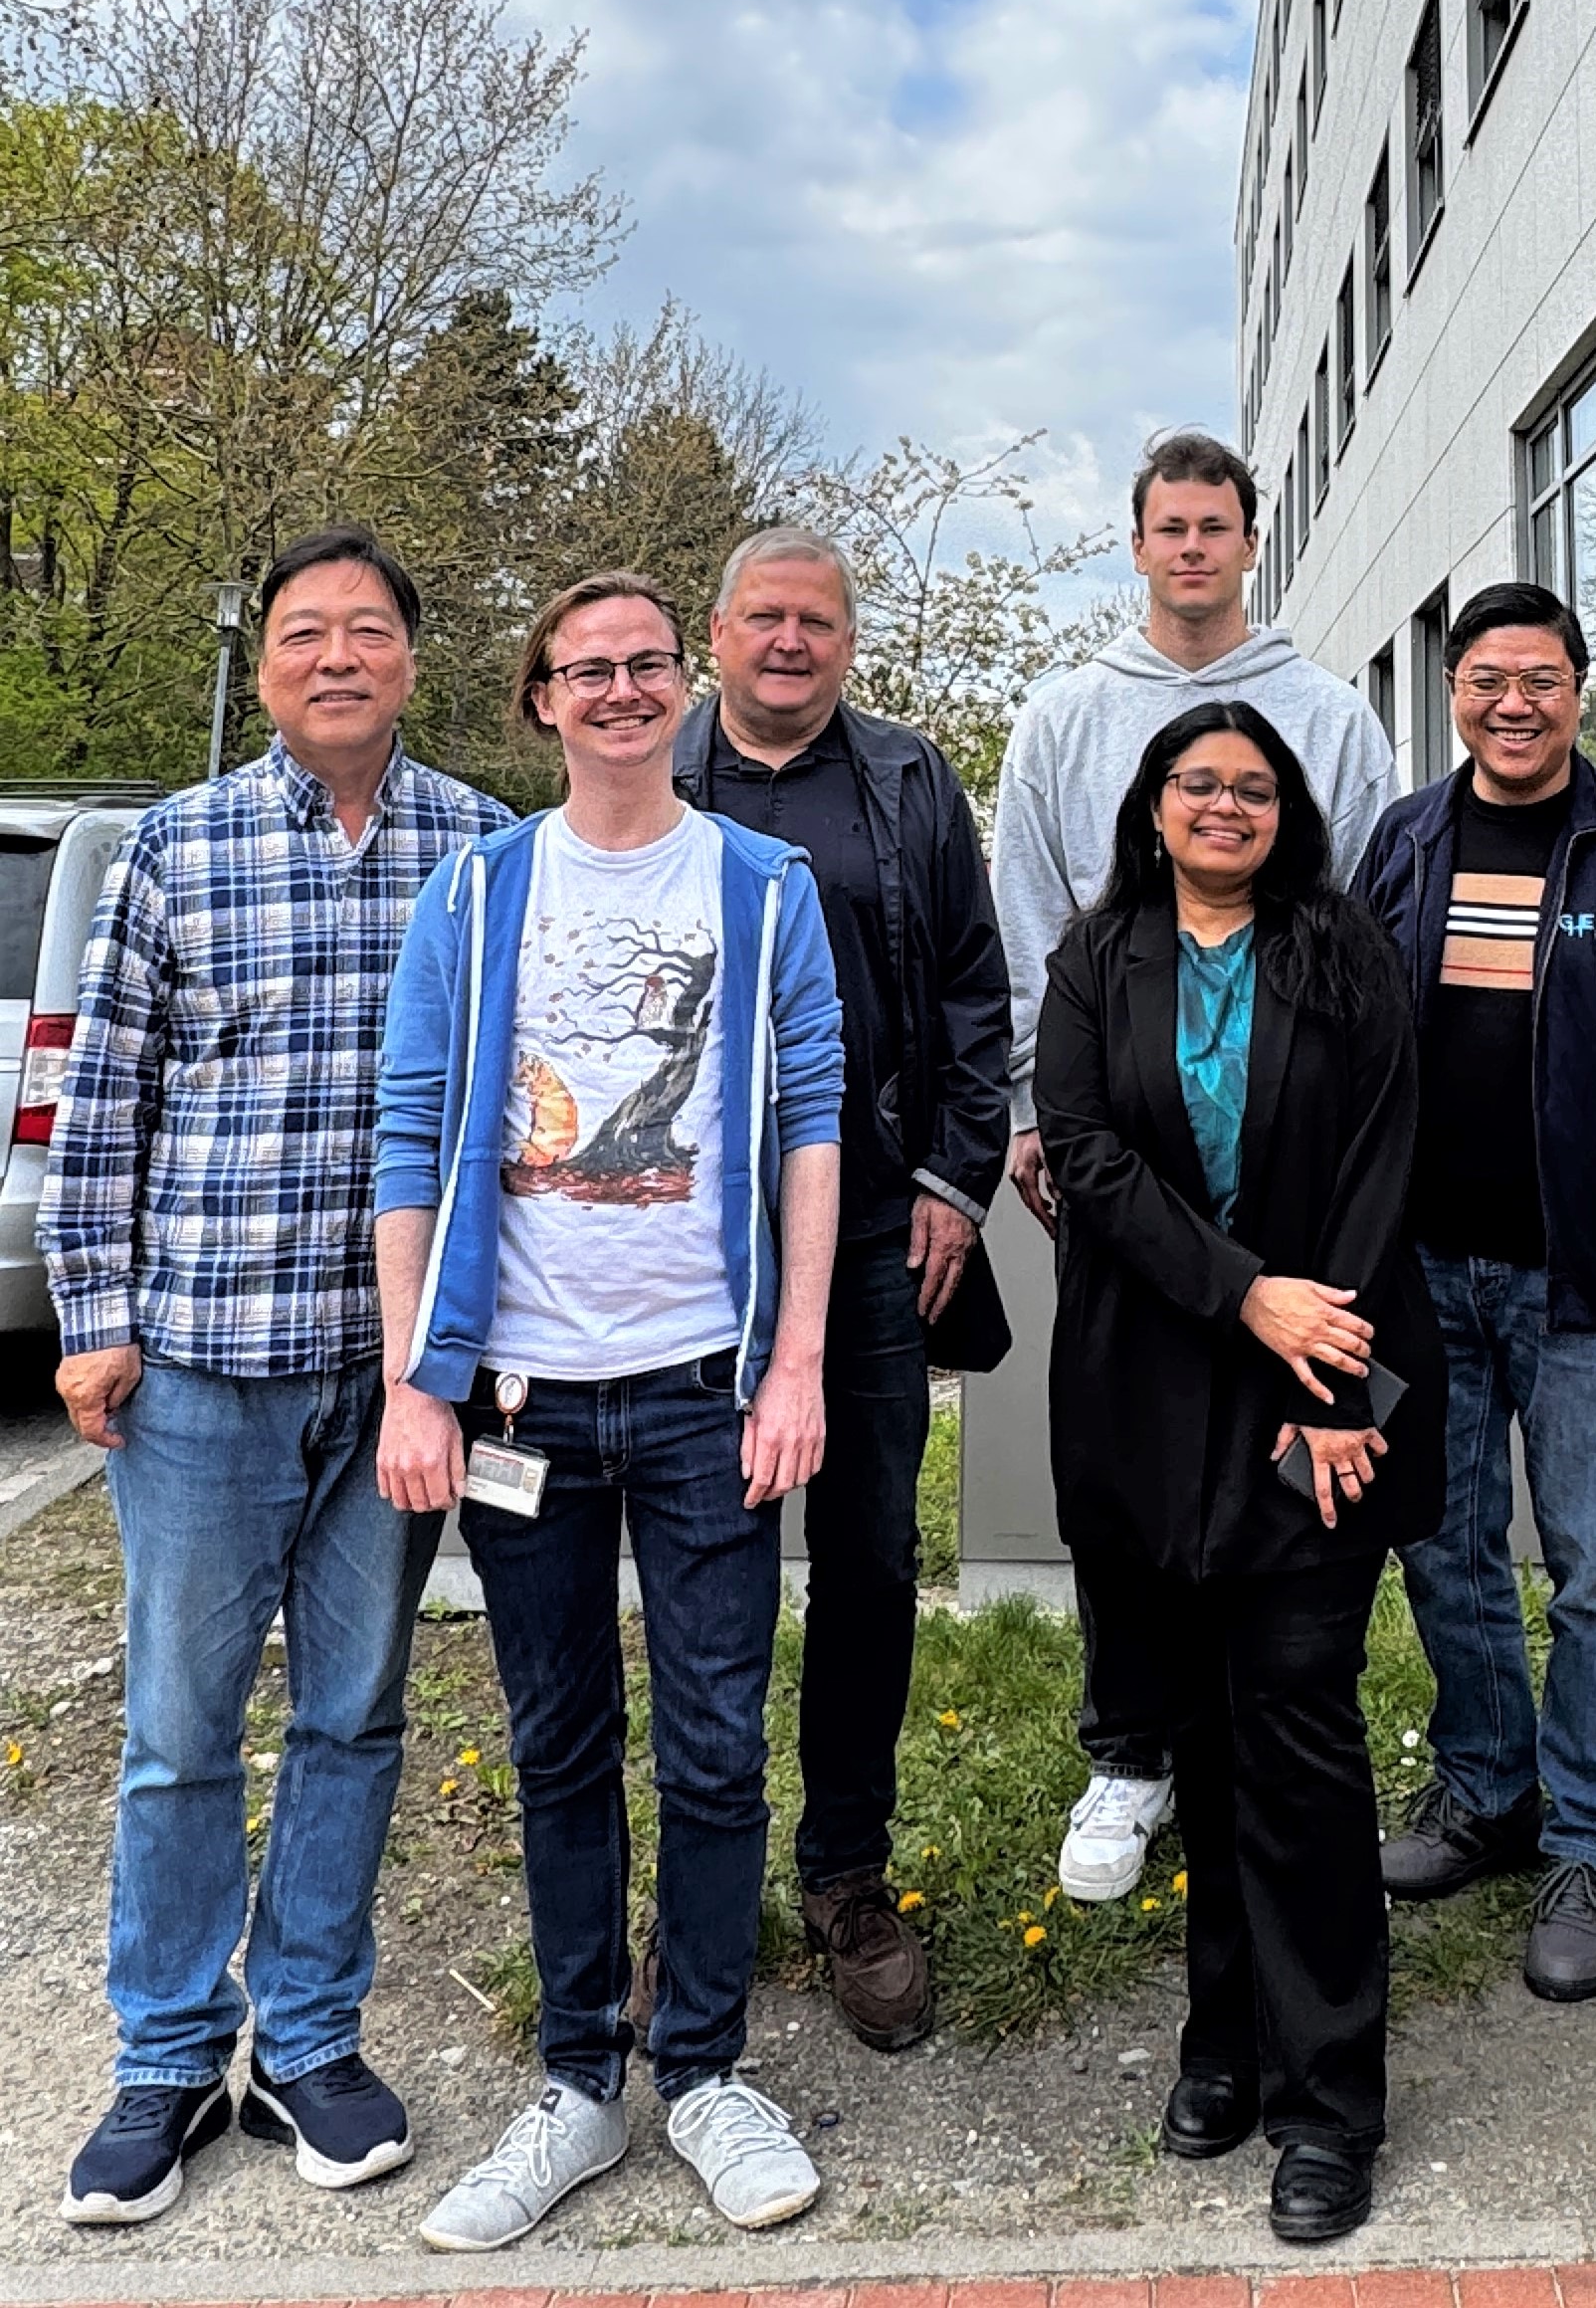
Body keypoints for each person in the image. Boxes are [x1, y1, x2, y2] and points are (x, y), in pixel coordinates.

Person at [39, 528, 512, 2226]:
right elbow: (105, 1098)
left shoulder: (482, 851)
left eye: (367, 629)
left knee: (354, 1714)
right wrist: (94, 1312)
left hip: (394, 1380)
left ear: (411, 658)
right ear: (264, 670)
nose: (337, 656)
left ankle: (307, 2036)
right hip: (204, 1372)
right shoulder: (177, 846)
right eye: (305, 632)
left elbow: (510, 1110)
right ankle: (167, 2052)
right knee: (178, 1732)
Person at [372, 573, 844, 2248]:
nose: (624, 689)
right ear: (543, 697)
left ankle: (702, 2064)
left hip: (708, 1389)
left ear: (683, 685)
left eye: (649, 663)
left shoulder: (765, 888)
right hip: (521, 1404)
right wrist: (414, 1378)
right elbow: (412, 1130)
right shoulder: (476, 891)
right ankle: (579, 2078)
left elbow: (810, 1126)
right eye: (591, 669)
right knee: (557, 1738)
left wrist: (793, 1363)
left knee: (716, 1741)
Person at [1034, 701, 1443, 2245]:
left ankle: (1330, 2097)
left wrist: (1323, 1380)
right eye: (1196, 783)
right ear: (1152, 804)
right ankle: (1224, 2041)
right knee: (1199, 1738)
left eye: (1252, 786)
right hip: (1145, 1397)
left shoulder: (1345, 951)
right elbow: (1085, 1156)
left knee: (1299, 1735)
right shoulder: (1096, 958)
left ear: (1288, 810)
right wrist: (1239, 1290)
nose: (1223, 805)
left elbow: (1379, 1171)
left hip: (1311, 1405)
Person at [995, 427, 1400, 1904]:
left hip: (1289, 1148)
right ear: (1137, 543)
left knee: (1282, 1445)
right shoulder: (1065, 716)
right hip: (1118, 1141)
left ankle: (1277, 1721)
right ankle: (1131, 1748)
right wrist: (1036, 1112)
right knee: (1126, 1455)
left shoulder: (1327, 713)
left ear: (1247, 540)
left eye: (1212, 526)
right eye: (1166, 526)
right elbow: (1031, 913)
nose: (1189, 548)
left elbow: (1358, 907)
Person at [671, 524, 1011, 2052]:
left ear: (844, 641)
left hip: (873, 1233)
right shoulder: (656, 767)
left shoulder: (909, 782)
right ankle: (698, 1893)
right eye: (764, 616)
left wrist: (955, 1176)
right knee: (706, 1569)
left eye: (815, 619)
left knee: (869, 1559)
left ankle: (846, 1874)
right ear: (717, 633)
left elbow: (972, 990)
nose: (789, 640)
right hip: (687, 1246)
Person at [1351, 580, 1596, 2003]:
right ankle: (1488, 1789)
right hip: (1423, 1267)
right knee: (1441, 1543)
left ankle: (1589, 1840)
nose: (1514, 705)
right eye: (1488, 680)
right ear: (1453, 691)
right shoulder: (1404, 839)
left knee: (1595, 1559)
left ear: (1578, 688)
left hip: (1589, 1271)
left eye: (1541, 680)